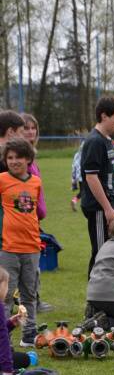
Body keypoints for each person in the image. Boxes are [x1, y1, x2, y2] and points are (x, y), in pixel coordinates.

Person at [0, 138, 44, 347]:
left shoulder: (36, 181)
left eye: (19, 157)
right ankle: (4, 335)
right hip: (8, 248)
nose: (14, 161)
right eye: (10, 157)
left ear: (28, 159)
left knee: (29, 293)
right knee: (6, 294)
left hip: (32, 247)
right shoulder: (1, 179)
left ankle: (29, 334)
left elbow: (38, 211)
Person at [80, 95, 114, 278]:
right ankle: (94, 302)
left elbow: (112, 174)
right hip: (99, 207)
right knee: (101, 253)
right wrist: (107, 208)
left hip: (111, 202)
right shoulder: (94, 141)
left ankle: (109, 297)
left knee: (112, 252)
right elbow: (91, 177)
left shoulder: (107, 140)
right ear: (103, 116)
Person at [21, 113, 54, 314]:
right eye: (26, 128)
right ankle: (30, 302)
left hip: (35, 217)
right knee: (27, 263)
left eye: (33, 128)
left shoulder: (33, 157)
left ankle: (33, 299)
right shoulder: (20, 159)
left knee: (32, 262)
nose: (31, 131)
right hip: (26, 217)